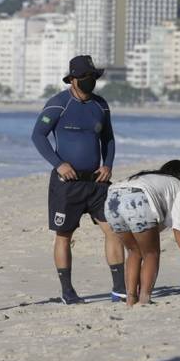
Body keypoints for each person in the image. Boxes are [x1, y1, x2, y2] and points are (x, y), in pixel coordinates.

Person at [31, 55, 125, 304]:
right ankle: (68, 291)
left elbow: (109, 139)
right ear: (73, 79)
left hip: (96, 182)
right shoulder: (59, 104)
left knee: (114, 230)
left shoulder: (101, 105)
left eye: (93, 77)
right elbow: (38, 136)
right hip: (67, 185)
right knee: (64, 235)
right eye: (85, 77)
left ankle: (119, 288)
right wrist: (58, 164)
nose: (90, 81)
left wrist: (108, 164)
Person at [104, 160, 180, 305]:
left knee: (133, 251)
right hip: (137, 199)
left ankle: (130, 298)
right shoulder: (178, 186)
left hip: (112, 199)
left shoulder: (149, 177)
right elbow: (178, 225)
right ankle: (144, 299)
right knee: (151, 253)